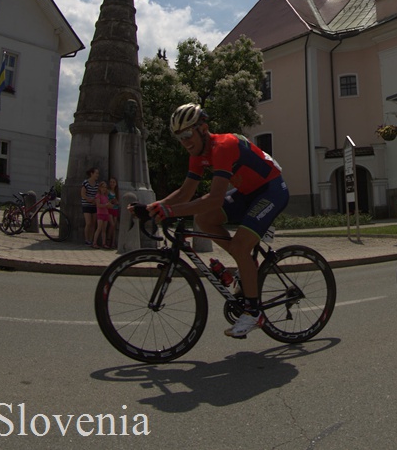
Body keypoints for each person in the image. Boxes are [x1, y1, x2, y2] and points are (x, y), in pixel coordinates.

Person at [145, 104, 290, 338]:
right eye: (179, 138)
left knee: (240, 246)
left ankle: (254, 313)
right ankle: (246, 265)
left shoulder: (223, 146)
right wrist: (154, 207)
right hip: (246, 192)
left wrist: (171, 211)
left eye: (187, 135)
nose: (185, 142)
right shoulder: (197, 155)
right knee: (204, 219)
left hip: (271, 190)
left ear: (203, 128)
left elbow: (214, 199)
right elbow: (184, 194)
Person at [95, 176, 118, 249]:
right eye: (103, 187)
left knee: (105, 229)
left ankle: (107, 243)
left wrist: (112, 204)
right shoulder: (100, 195)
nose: (104, 189)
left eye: (105, 187)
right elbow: (98, 204)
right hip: (102, 212)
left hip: (109, 212)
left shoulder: (109, 195)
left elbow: (109, 204)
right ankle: (95, 242)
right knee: (100, 228)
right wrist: (107, 204)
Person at [81, 167, 100, 245]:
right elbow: (82, 194)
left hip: (94, 205)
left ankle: (91, 239)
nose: (97, 175)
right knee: (88, 222)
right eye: (96, 173)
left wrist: (95, 201)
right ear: (92, 174)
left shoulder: (97, 184)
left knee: (93, 223)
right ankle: (86, 239)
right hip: (86, 204)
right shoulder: (86, 183)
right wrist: (89, 199)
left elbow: (97, 195)